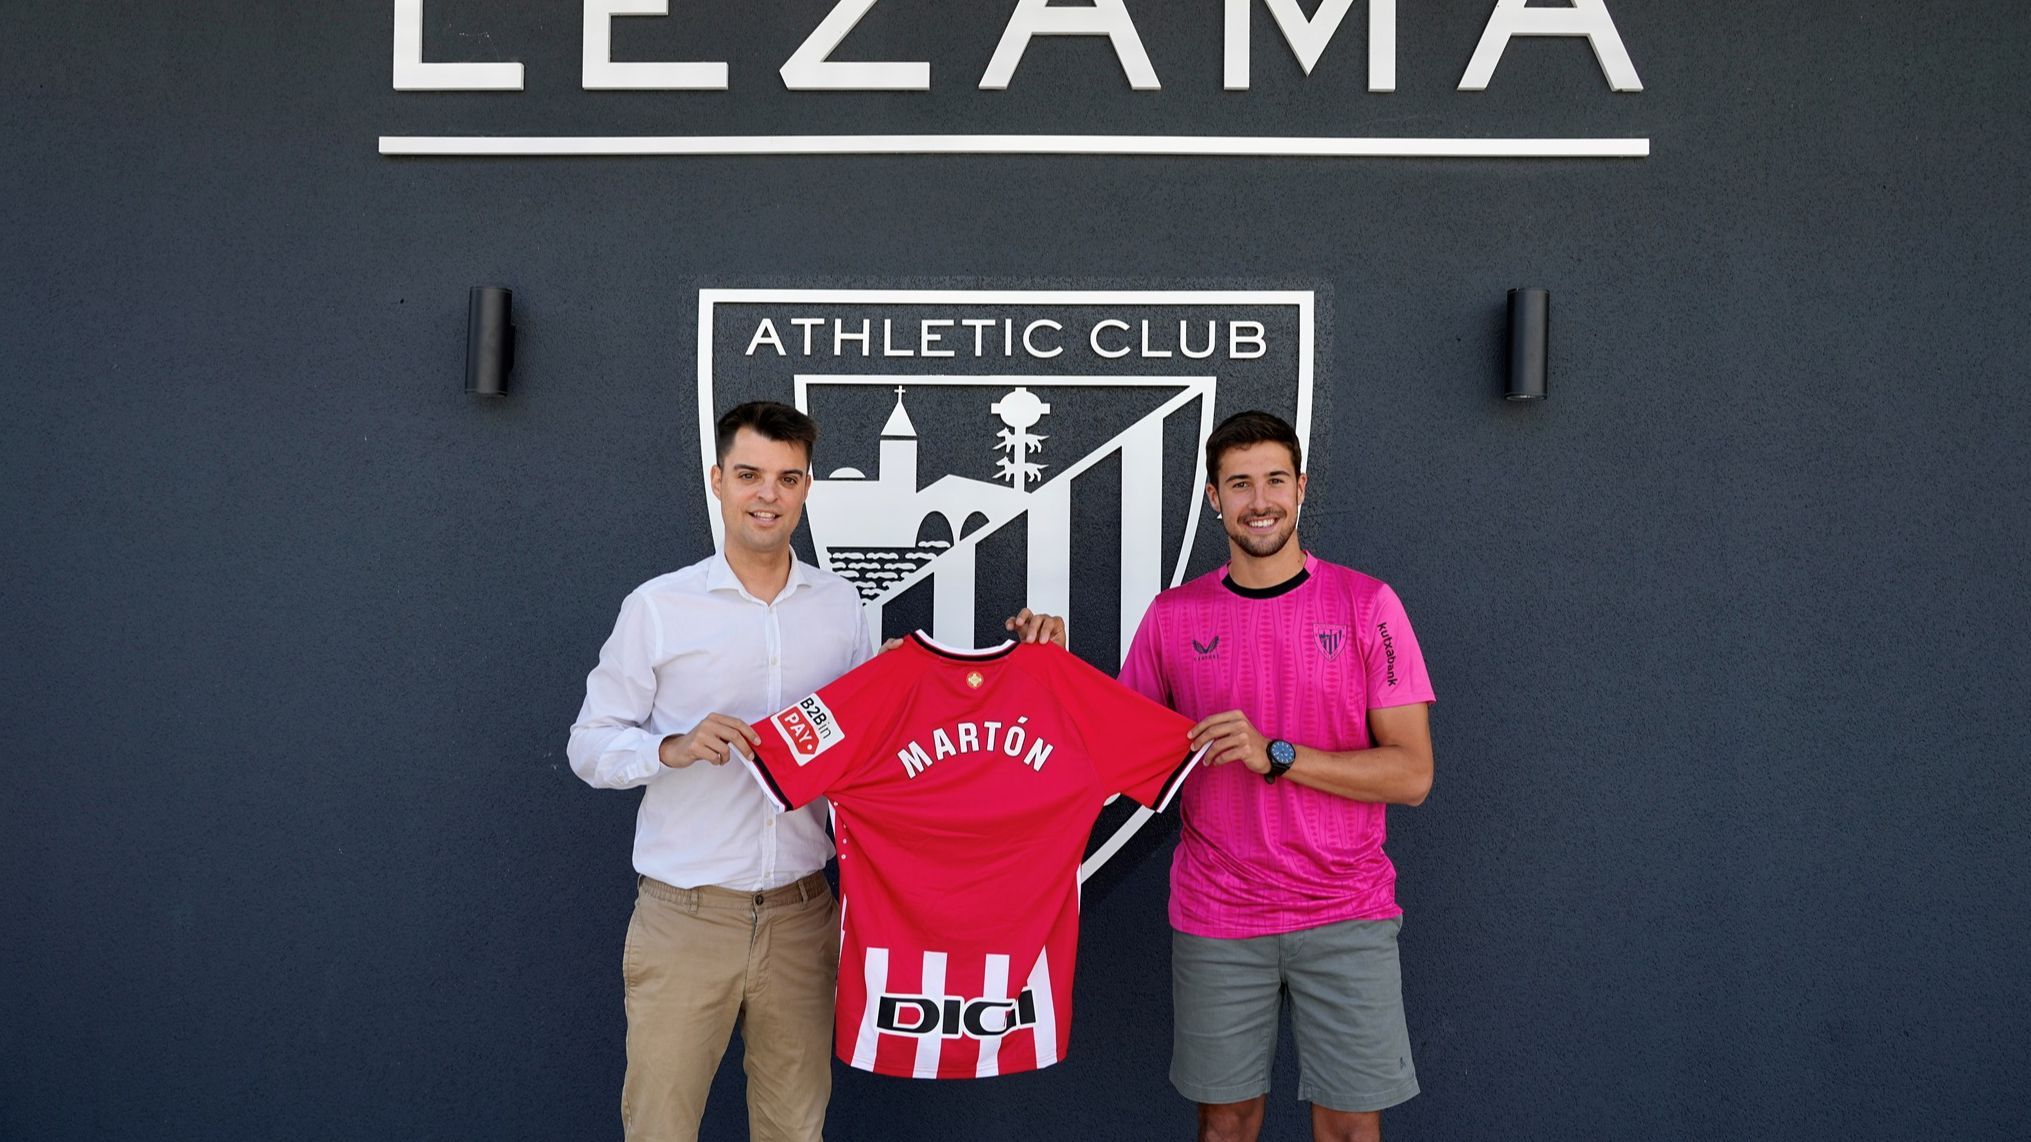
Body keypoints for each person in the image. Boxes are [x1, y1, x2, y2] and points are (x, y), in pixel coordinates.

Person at [567, 401, 1061, 1142]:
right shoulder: (658, 607)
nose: (767, 494)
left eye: (786, 478)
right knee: (659, 1129)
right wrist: (669, 747)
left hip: (804, 915)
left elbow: (874, 752)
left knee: (794, 1129)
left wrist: (1012, 668)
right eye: (749, 475)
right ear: (717, 481)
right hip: (686, 917)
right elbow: (589, 745)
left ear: (805, 488)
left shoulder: (841, 606)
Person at [1118, 410, 1436, 1142]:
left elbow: (1411, 773)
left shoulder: (1366, 605)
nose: (1257, 500)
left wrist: (1278, 755)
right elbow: (1117, 751)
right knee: (1224, 1124)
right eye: (1238, 484)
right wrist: (1048, 663)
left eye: (1272, 480)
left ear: (1299, 487)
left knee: (1350, 1126)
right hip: (1219, 912)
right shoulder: (1172, 616)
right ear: (1211, 499)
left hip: (1346, 909)